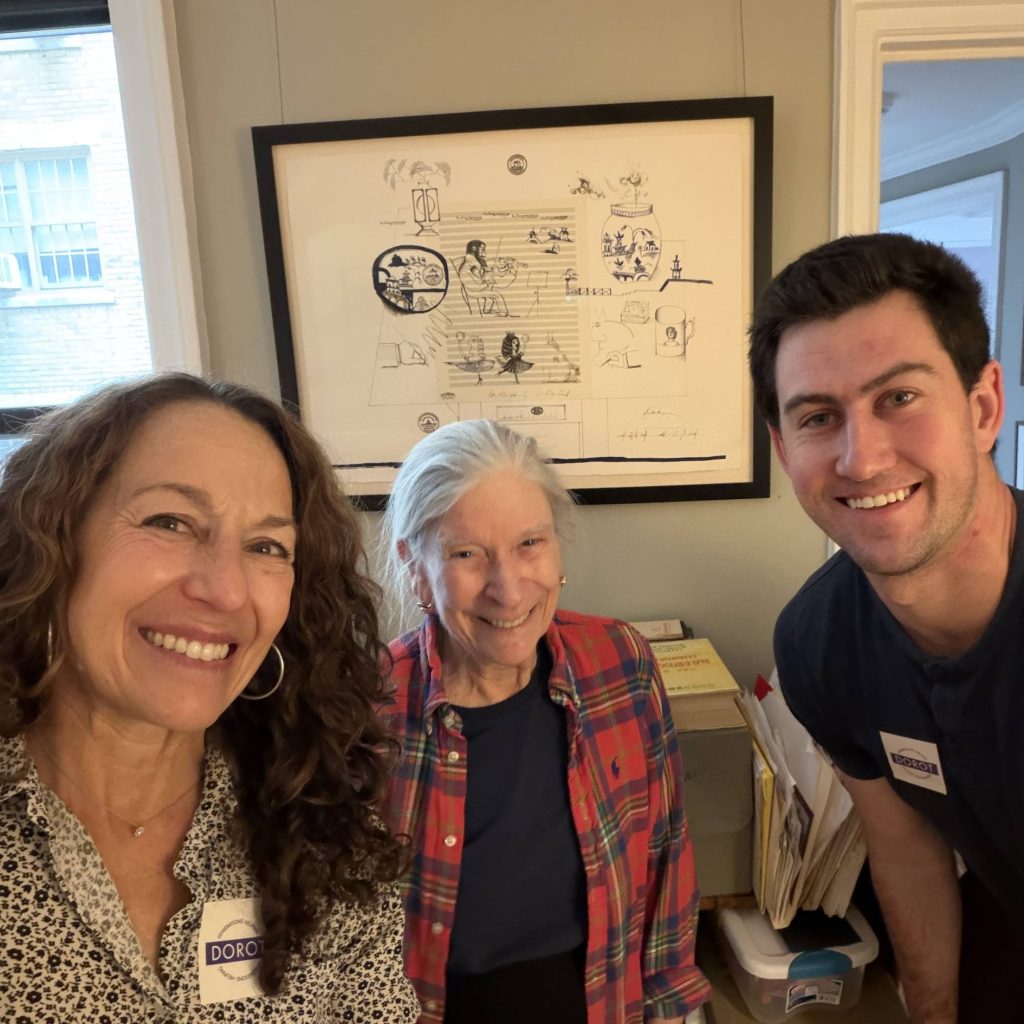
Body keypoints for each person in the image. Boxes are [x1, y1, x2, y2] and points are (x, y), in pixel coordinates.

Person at [0, 373, 419, 1021]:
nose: (225, 590)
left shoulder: (325, 837)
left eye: (265, 546)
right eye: (170, 522)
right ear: (52, 540)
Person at [749, 232, 1023, 1024]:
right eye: (818, 416)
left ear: (982, 408)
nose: (861, 459)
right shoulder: (817, 645)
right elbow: (907, 851)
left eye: (898, 398)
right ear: (782, 448)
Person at [379, 419, 710, 1024]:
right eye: (466, 554)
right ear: (416, 566)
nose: (508, 590)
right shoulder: (366, 710)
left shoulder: (620, 663)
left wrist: (668, 1005)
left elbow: (665, 850)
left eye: (530, 543)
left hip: (599, 1003)